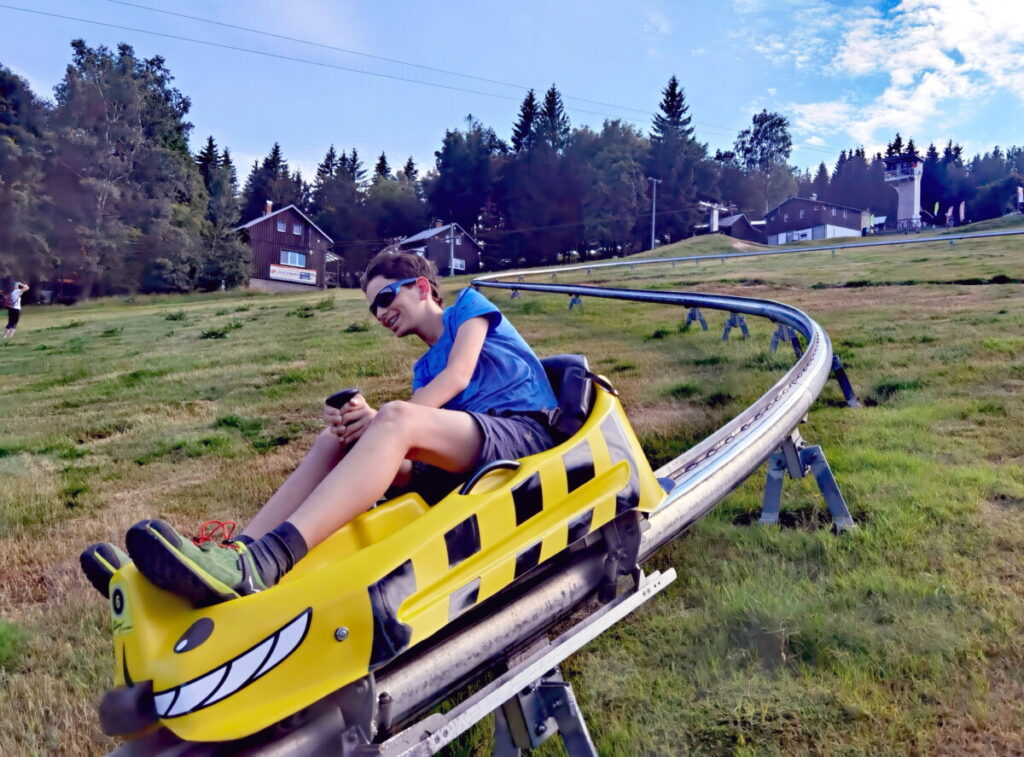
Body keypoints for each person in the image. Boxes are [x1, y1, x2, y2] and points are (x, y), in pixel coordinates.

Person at [81, 251, 559, 607]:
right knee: (337, 436)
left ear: (421, 286)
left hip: (520, 433)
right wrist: (363, 432)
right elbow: (422, 438)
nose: (381, 314)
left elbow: (458, 376)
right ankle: (238, 554)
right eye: (373, 309)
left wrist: (387, 422)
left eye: (386, 298)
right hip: (465, 460)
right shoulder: (421, 370)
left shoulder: (468, 309)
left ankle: (268, 561)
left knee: (393, 418)